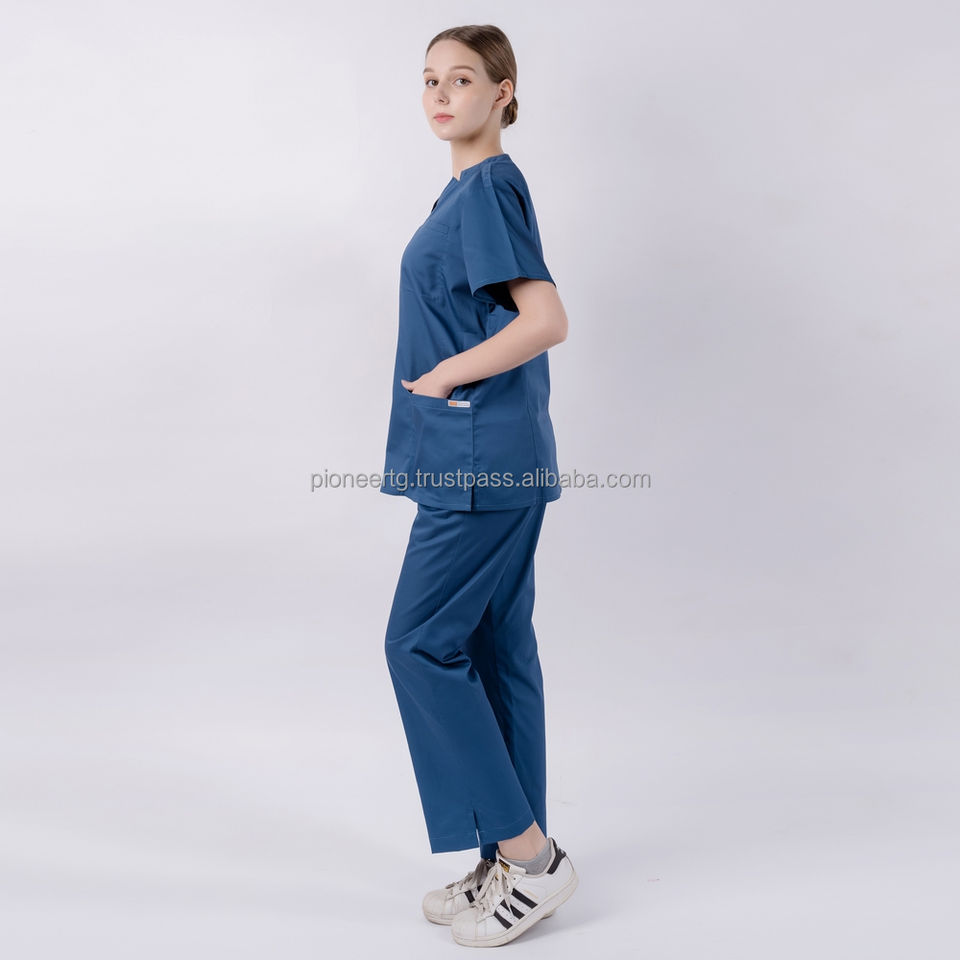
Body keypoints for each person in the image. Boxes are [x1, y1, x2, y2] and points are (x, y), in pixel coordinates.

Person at [381, 24, 578, 947]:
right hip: (490, 454)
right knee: (496, 651)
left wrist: (445, 376)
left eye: (461, 79)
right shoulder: (466, 191)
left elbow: (545, 318)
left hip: (478, 459)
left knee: (419, 644)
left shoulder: (490, 186)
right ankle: (509, 861)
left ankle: (532, 859)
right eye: (429, 79)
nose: (439, 94)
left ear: (502, 93)